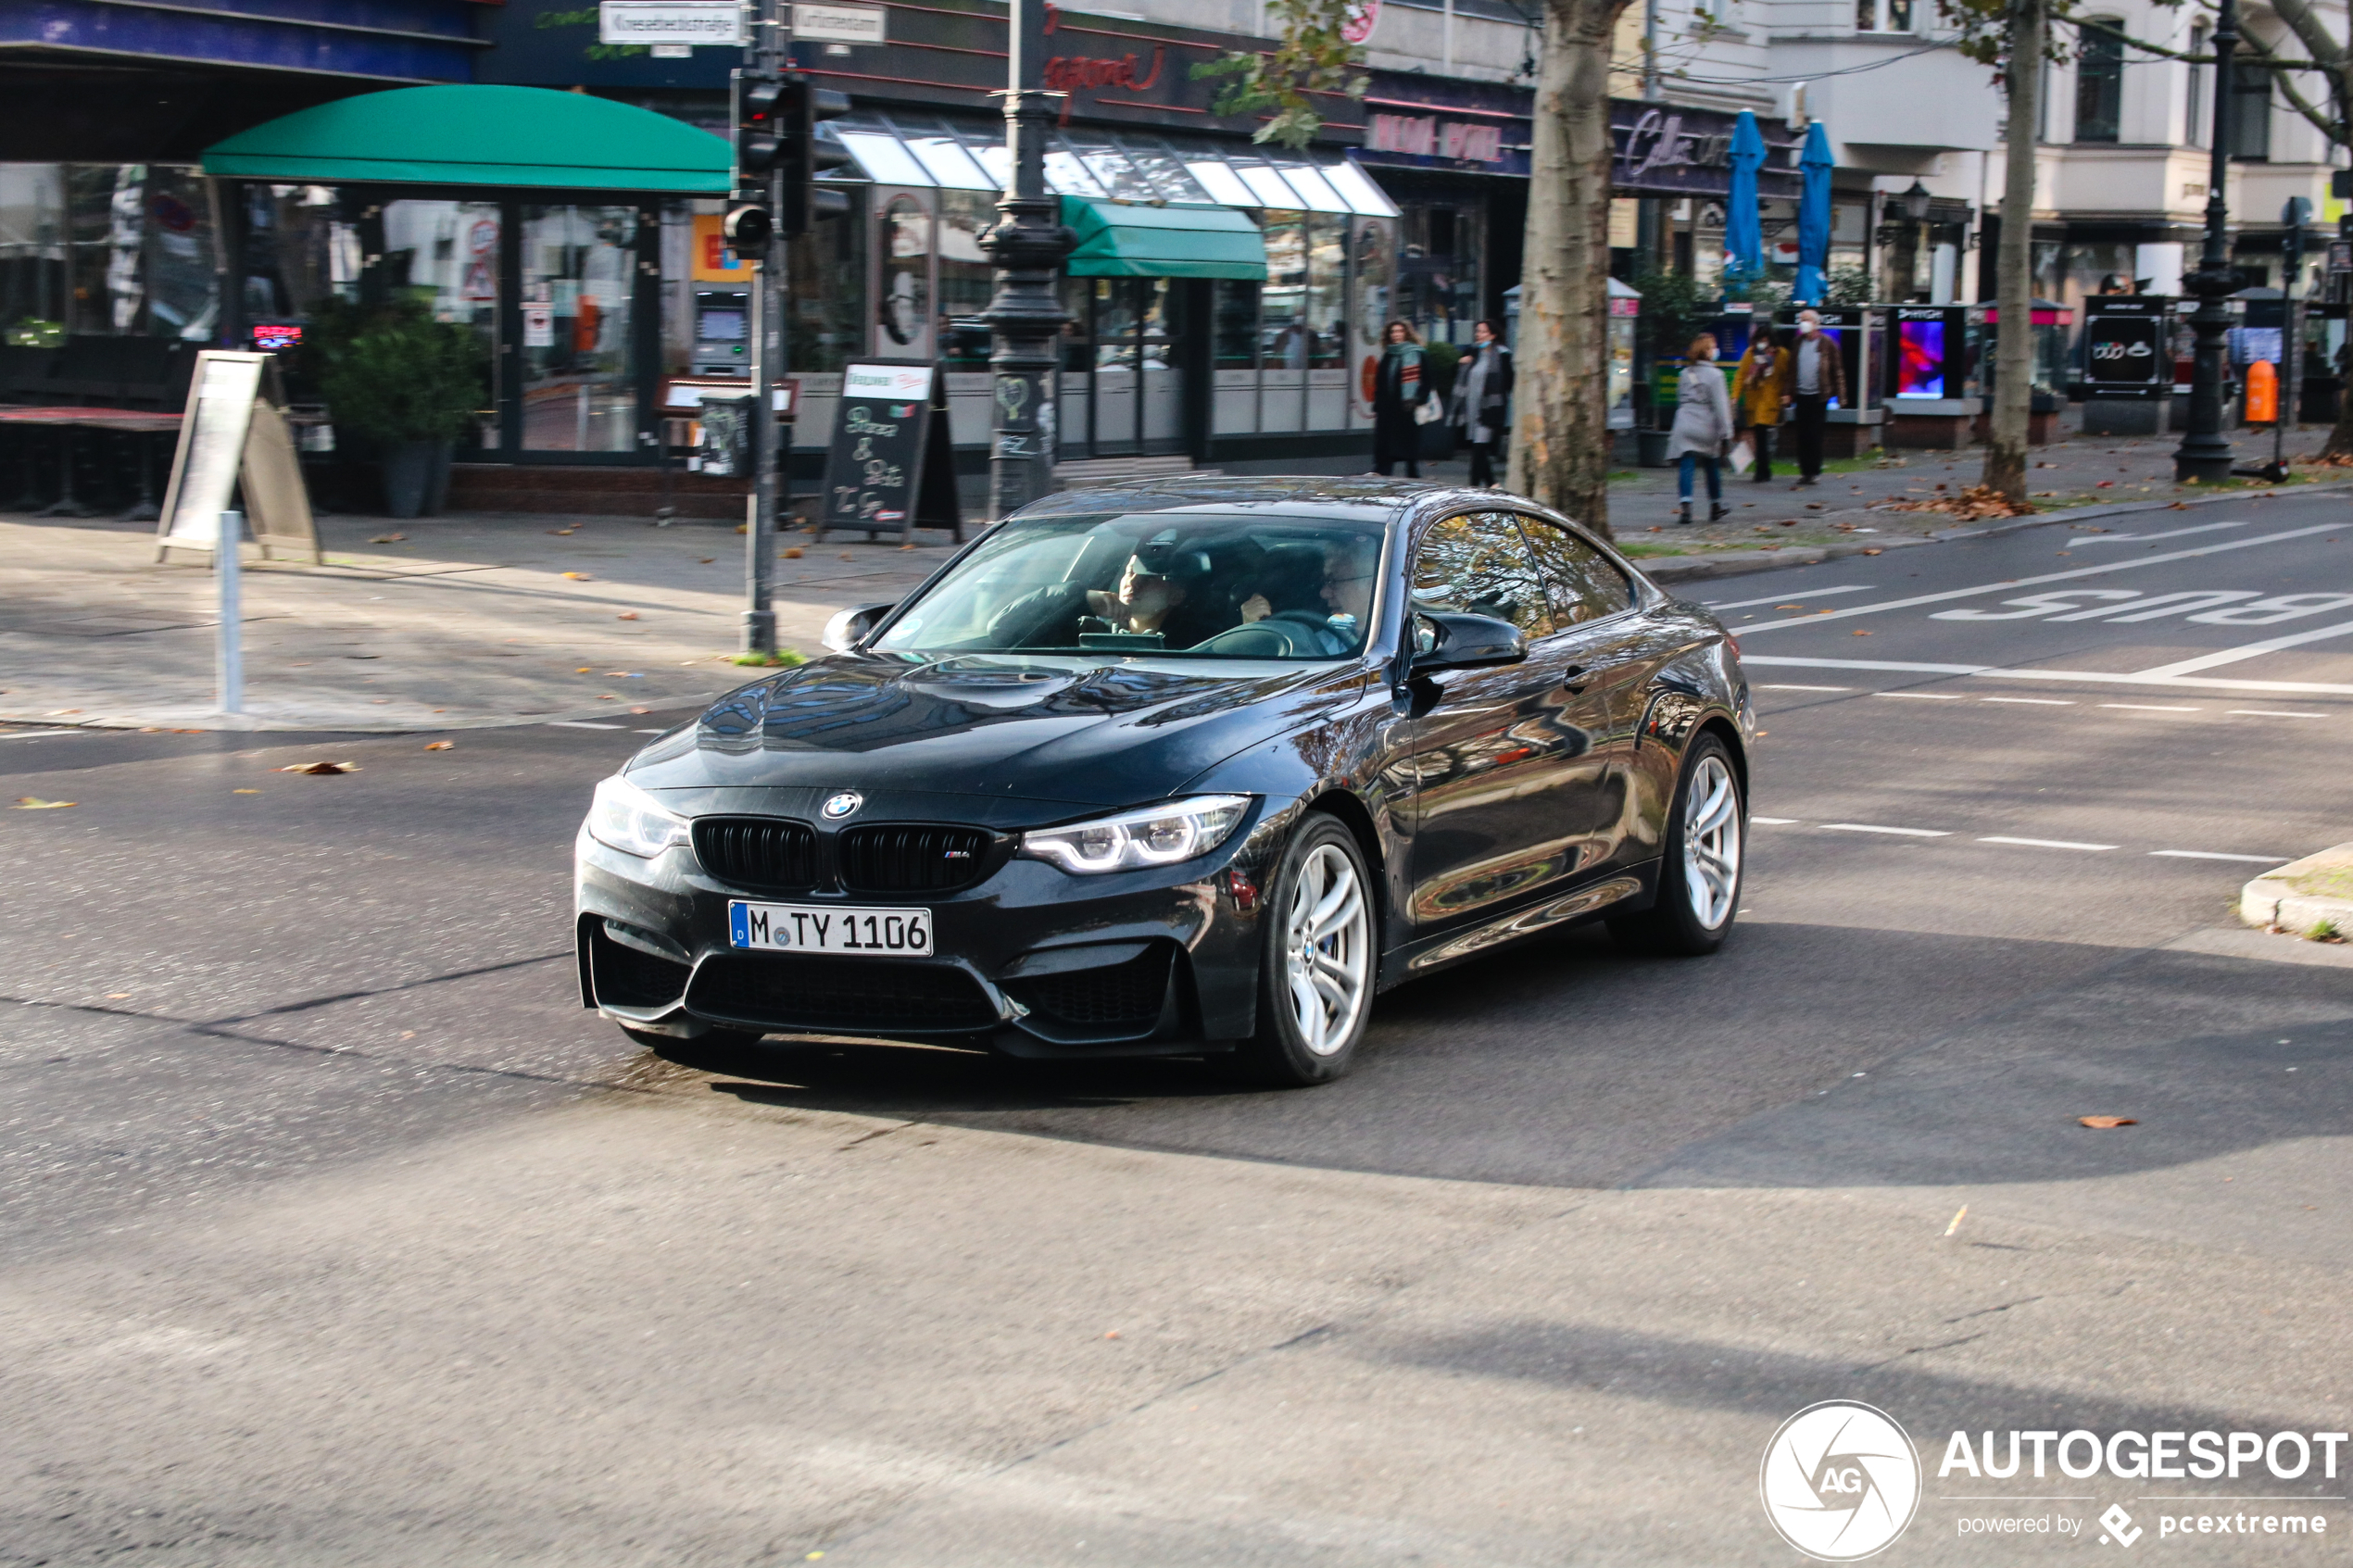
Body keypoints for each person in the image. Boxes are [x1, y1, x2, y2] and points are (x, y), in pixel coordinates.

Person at [1666, 332, 1733, 525]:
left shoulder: (1685, 374)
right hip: (1707, 425)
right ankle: (1715, 505)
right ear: (1707, 351)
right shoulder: (1716, 375)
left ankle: (1686, 506)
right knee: (1711, 464)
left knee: (1686, 465)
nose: (1715, 350)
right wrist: (1727, 431)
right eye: (1713, 347)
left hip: (1685, 423)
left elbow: (1680, 398)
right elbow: (1721, 406)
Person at [1451, 319, 1514, 487]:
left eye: (1484, 332)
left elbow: (1509, 383)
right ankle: (1492, 483)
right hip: (1471, 407)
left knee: (1479, 449)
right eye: (1478, 331)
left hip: (1490, 408)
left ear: (1493, 335)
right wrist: (1461, 363)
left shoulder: (1503, 355)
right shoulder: (1473, 352)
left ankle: (1473, 488)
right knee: (1479, 449)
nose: (1479, 335)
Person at [1788, 308, 1847, 489]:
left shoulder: (1827, 344)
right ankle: (1805, 471)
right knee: (1802, 434)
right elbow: (1791, 370)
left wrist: (1841, 396)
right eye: (1801, 319)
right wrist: (1787, 392)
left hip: (1819, 396)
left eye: (1806, 320)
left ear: (1815, 323)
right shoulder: (1797, 343)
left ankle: (1814, 471)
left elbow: (1837, 370)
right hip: (1801, 395)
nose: (1802, 323)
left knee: (1815, 434)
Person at [1731, 328, 1792, 483]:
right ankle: (1764, 469)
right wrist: (1735, 396)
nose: (1762, 344)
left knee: (1762, 434)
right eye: (1759, 340)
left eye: (1765, 340)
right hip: (1754, 399)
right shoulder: (1750, 354)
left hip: (1771, 400)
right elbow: (1741, 375)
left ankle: (1762, 470)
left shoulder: (1781, 354)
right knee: (1760, 436)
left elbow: (1788, 376)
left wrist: (1787, 394)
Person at [1372, 320, 1427, 478]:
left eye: (1399, 331)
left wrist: (1418, 399)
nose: (1396, 335)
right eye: (1393, 332)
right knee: (1385, 443)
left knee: (1408, 444)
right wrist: (1378, 403)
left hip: (1408, 407)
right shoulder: (1388, 355)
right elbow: (1380, 381)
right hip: (1387, 408)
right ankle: (1383, 472)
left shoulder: (1418, 353)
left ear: (1407, 334)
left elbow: (1428, 379)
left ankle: (1413, 475)